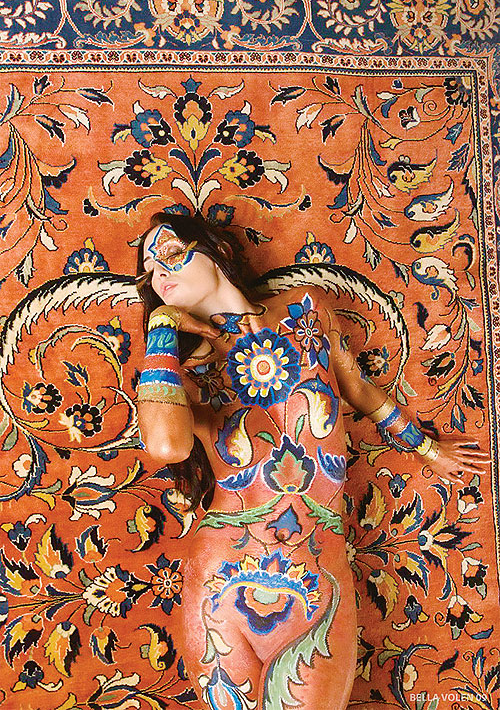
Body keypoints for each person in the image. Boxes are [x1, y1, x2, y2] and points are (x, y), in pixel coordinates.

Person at [135, 212, 489, 710]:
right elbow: (166, 447)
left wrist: (427, 448)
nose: (160, 274)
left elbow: (359, 390)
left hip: (318, 573)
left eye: (170, 253)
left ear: (216, 252)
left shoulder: (306, 309)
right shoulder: (178, 372)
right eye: (149, 271)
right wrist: (162, 327)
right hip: (222, 579)